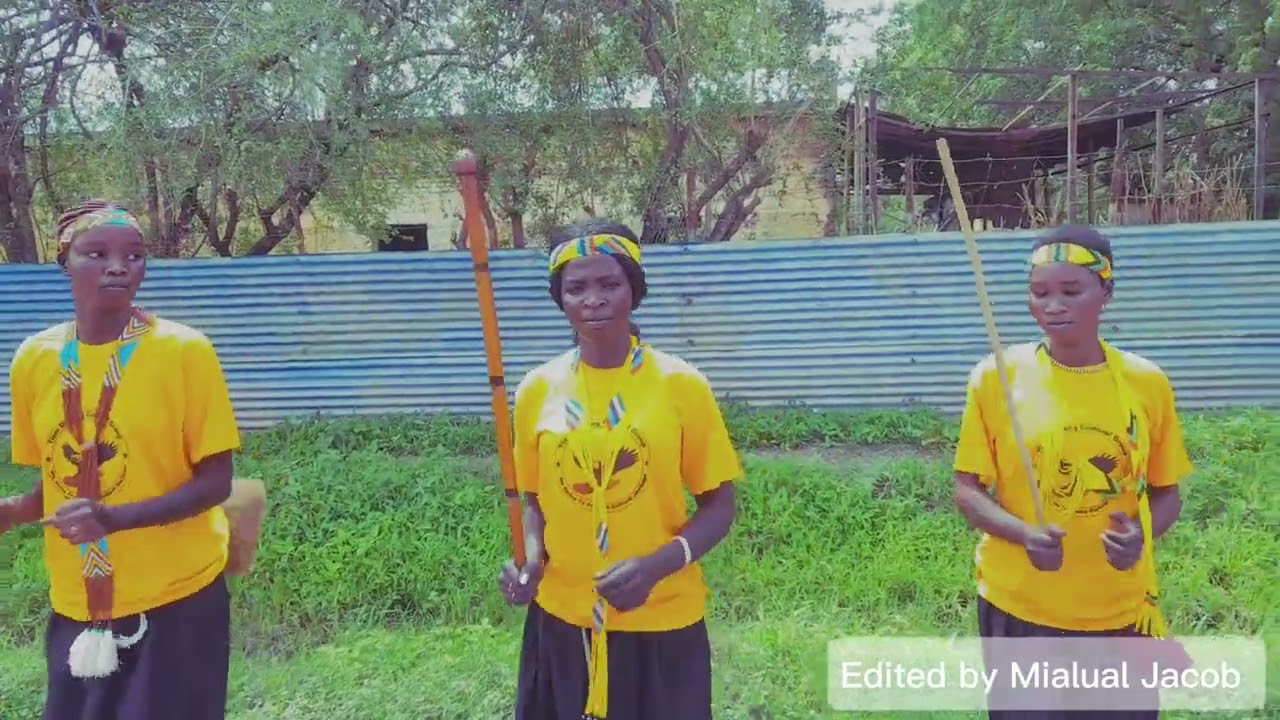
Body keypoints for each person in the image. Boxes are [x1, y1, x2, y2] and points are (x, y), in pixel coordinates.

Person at [0, 199, 242, 720]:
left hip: (176, 598)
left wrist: (114, 519)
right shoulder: (35, 359)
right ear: (64, 261)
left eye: (134, 255)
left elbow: (217, 482)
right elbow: (57, 482)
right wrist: (16, 510)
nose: (118, 266)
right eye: (97, 253)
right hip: (78, 600)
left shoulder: (184, 352)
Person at [497, 221, 742, 720]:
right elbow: (536, 501)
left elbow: (719, 505)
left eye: (609, 284)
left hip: (660, 618)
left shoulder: (680, 386)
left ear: (634, 290)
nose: (593, 300)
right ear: (559, 300)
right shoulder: (536, 390)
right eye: (576, 288)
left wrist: (655, 567)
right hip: (564, 620)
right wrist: (533, 563)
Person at [952, 225, 1194, 719]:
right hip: (1021, 608)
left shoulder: (1146, 383)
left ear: (1106, 291)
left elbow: (1168, 494)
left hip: (1119, 612)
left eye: (1070, 291)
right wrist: (1024, 534)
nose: (1053, 306)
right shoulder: (996, 377)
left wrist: (1141, 540)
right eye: (1040, 293)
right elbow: (967, 491)